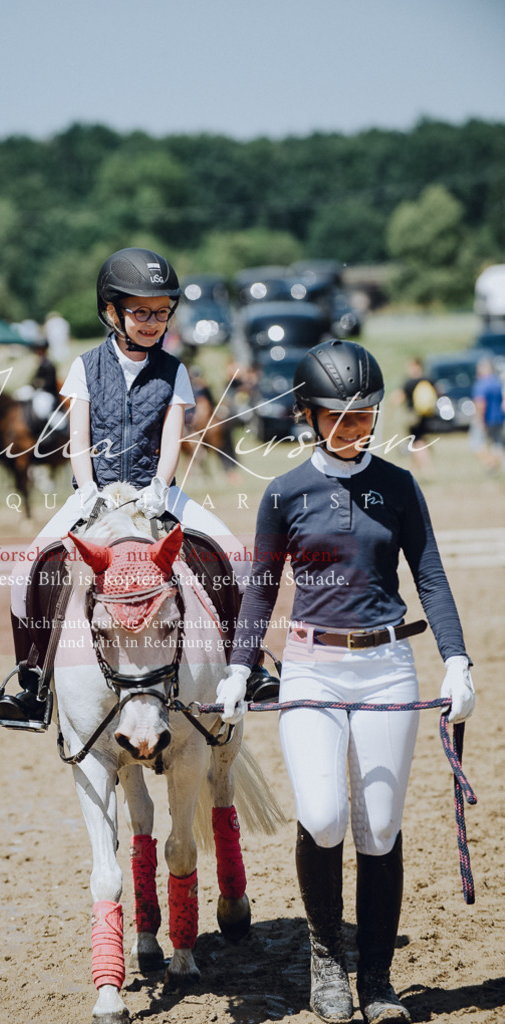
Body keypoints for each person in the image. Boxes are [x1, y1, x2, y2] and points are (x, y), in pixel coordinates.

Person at [216, 339, 475, 1024]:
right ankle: (327, 956)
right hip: (311, 667)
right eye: (341, 417)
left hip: (388, 663)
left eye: (366, 416)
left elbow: (432, 576)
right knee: (324, 816)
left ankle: (379, 980)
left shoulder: (398, 485)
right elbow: (261, 591)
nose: (356, 430)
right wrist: (240, 669)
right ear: (306, 414)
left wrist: (456, 659)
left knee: (380, 828)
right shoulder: (285, 494)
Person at [0, 246, 250, 726]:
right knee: (24, 571)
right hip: (95, 493)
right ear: (112, 310)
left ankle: (247, 667)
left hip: (157, 492)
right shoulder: (84, 367)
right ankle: (31, 684)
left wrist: (159, 486)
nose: (152, 321)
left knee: (236, 555)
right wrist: (88, 489)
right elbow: (78, 438)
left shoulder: (173, 370)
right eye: (140, 312)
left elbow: (174, 436)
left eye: (160, 312)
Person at [471, 357, 504, 472]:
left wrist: (479, 420)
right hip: (499, 418)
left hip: (486, 418)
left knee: (476, 443)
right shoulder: (498, 382)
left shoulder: (481, 384)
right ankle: (494, 464)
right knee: (497, 443)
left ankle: (490, 464)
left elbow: (480, 404)